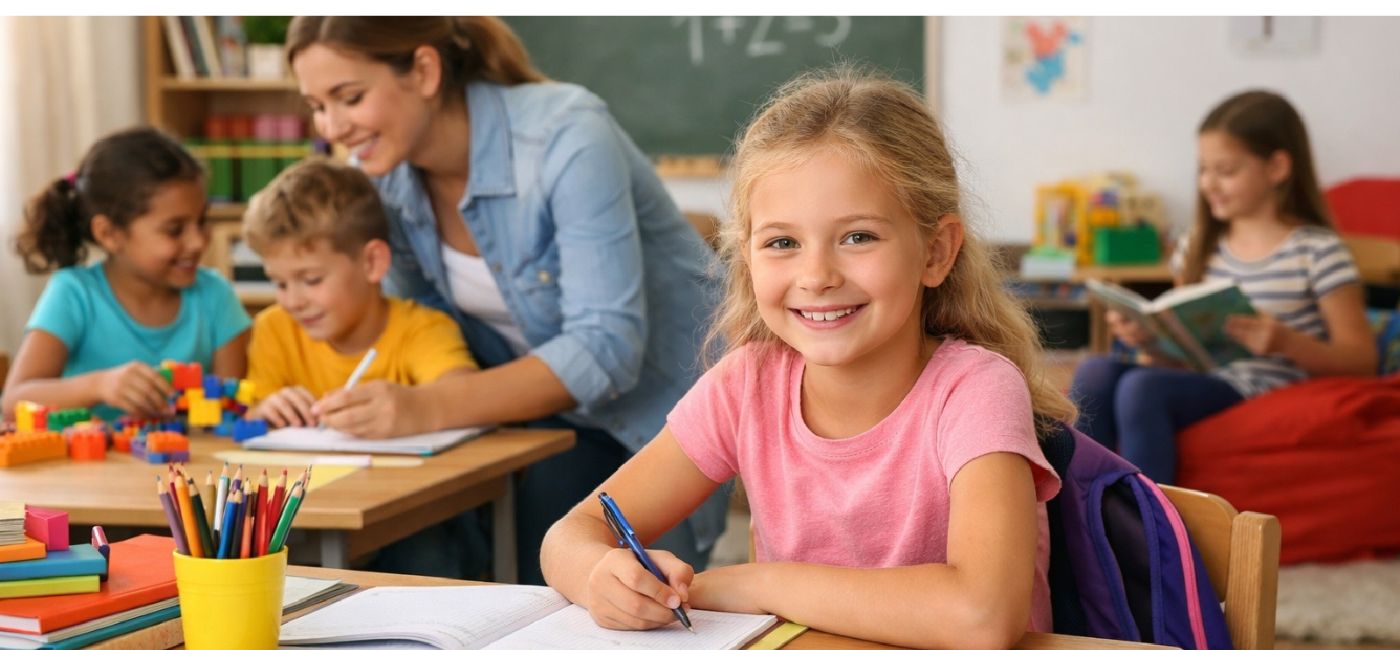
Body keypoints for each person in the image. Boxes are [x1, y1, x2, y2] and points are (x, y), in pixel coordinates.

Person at [540, 70, 1075, 649]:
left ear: (936, 252)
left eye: (858, 237)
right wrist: (599, 577)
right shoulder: (747, 385)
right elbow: (571, 534)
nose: (816, 276)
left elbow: (982, 616)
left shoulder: (976, 391)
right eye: (782, 243)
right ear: (747, 257)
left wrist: (759, 583)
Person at [285, 17, 726, 584]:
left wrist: (426, 407)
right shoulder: (381, 176)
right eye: (316, 107)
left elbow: (605, 350)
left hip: (648, 417)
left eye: (349, 98)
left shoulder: (566, 134)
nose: (332, 127)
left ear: (424, 71)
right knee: (453, 561)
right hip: (523, 420)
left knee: (616, 589)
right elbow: (418, 327)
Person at [1071, 89, 1377, 483]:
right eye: (1203, 170)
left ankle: (1149, 519)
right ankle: (1081, 509)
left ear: (1277, 167)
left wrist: (1286, 342)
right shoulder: (1197, 246)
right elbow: (1184, 358)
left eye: (1226, 171)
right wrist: (1150, 339)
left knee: (1142, 389)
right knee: (1095, 372)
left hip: (1261, 387)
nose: (1208, 184)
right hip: (1206, 379)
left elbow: (1362, 361)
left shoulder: (1317, 252)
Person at [3, 126, 250, 422]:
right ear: (109, 234)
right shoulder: (74, 293)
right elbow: (14, 401)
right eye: (174, 230)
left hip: (188, 453)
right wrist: (99, 385)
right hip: (91, 452)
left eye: (202, 220)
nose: (198, 242)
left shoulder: (216, 295)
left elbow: (231, 410)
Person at [241, 157, 478, 429]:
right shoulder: (274, 330)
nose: (292, 302)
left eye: (312, 280)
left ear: (372, 263)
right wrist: (264, 410)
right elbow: (250, 412)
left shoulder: (422, 330)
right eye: (280, 284)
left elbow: (462, 394)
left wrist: (414, 406)